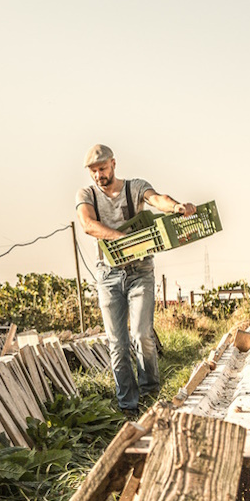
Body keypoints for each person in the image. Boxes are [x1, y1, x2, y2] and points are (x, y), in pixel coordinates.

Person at [74, 143, 196, 418]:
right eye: (93, 171)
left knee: (141, 335)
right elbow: (88, 224)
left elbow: (157, 199)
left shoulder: (135, 187)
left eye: (102, 169)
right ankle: (128, 406)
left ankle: (151, 397)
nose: (98, 176)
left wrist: (176, 207)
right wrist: (123, 239)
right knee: (117, 342)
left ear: (113, 164)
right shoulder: (87, 194)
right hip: (108, 274)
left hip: (140, 271)